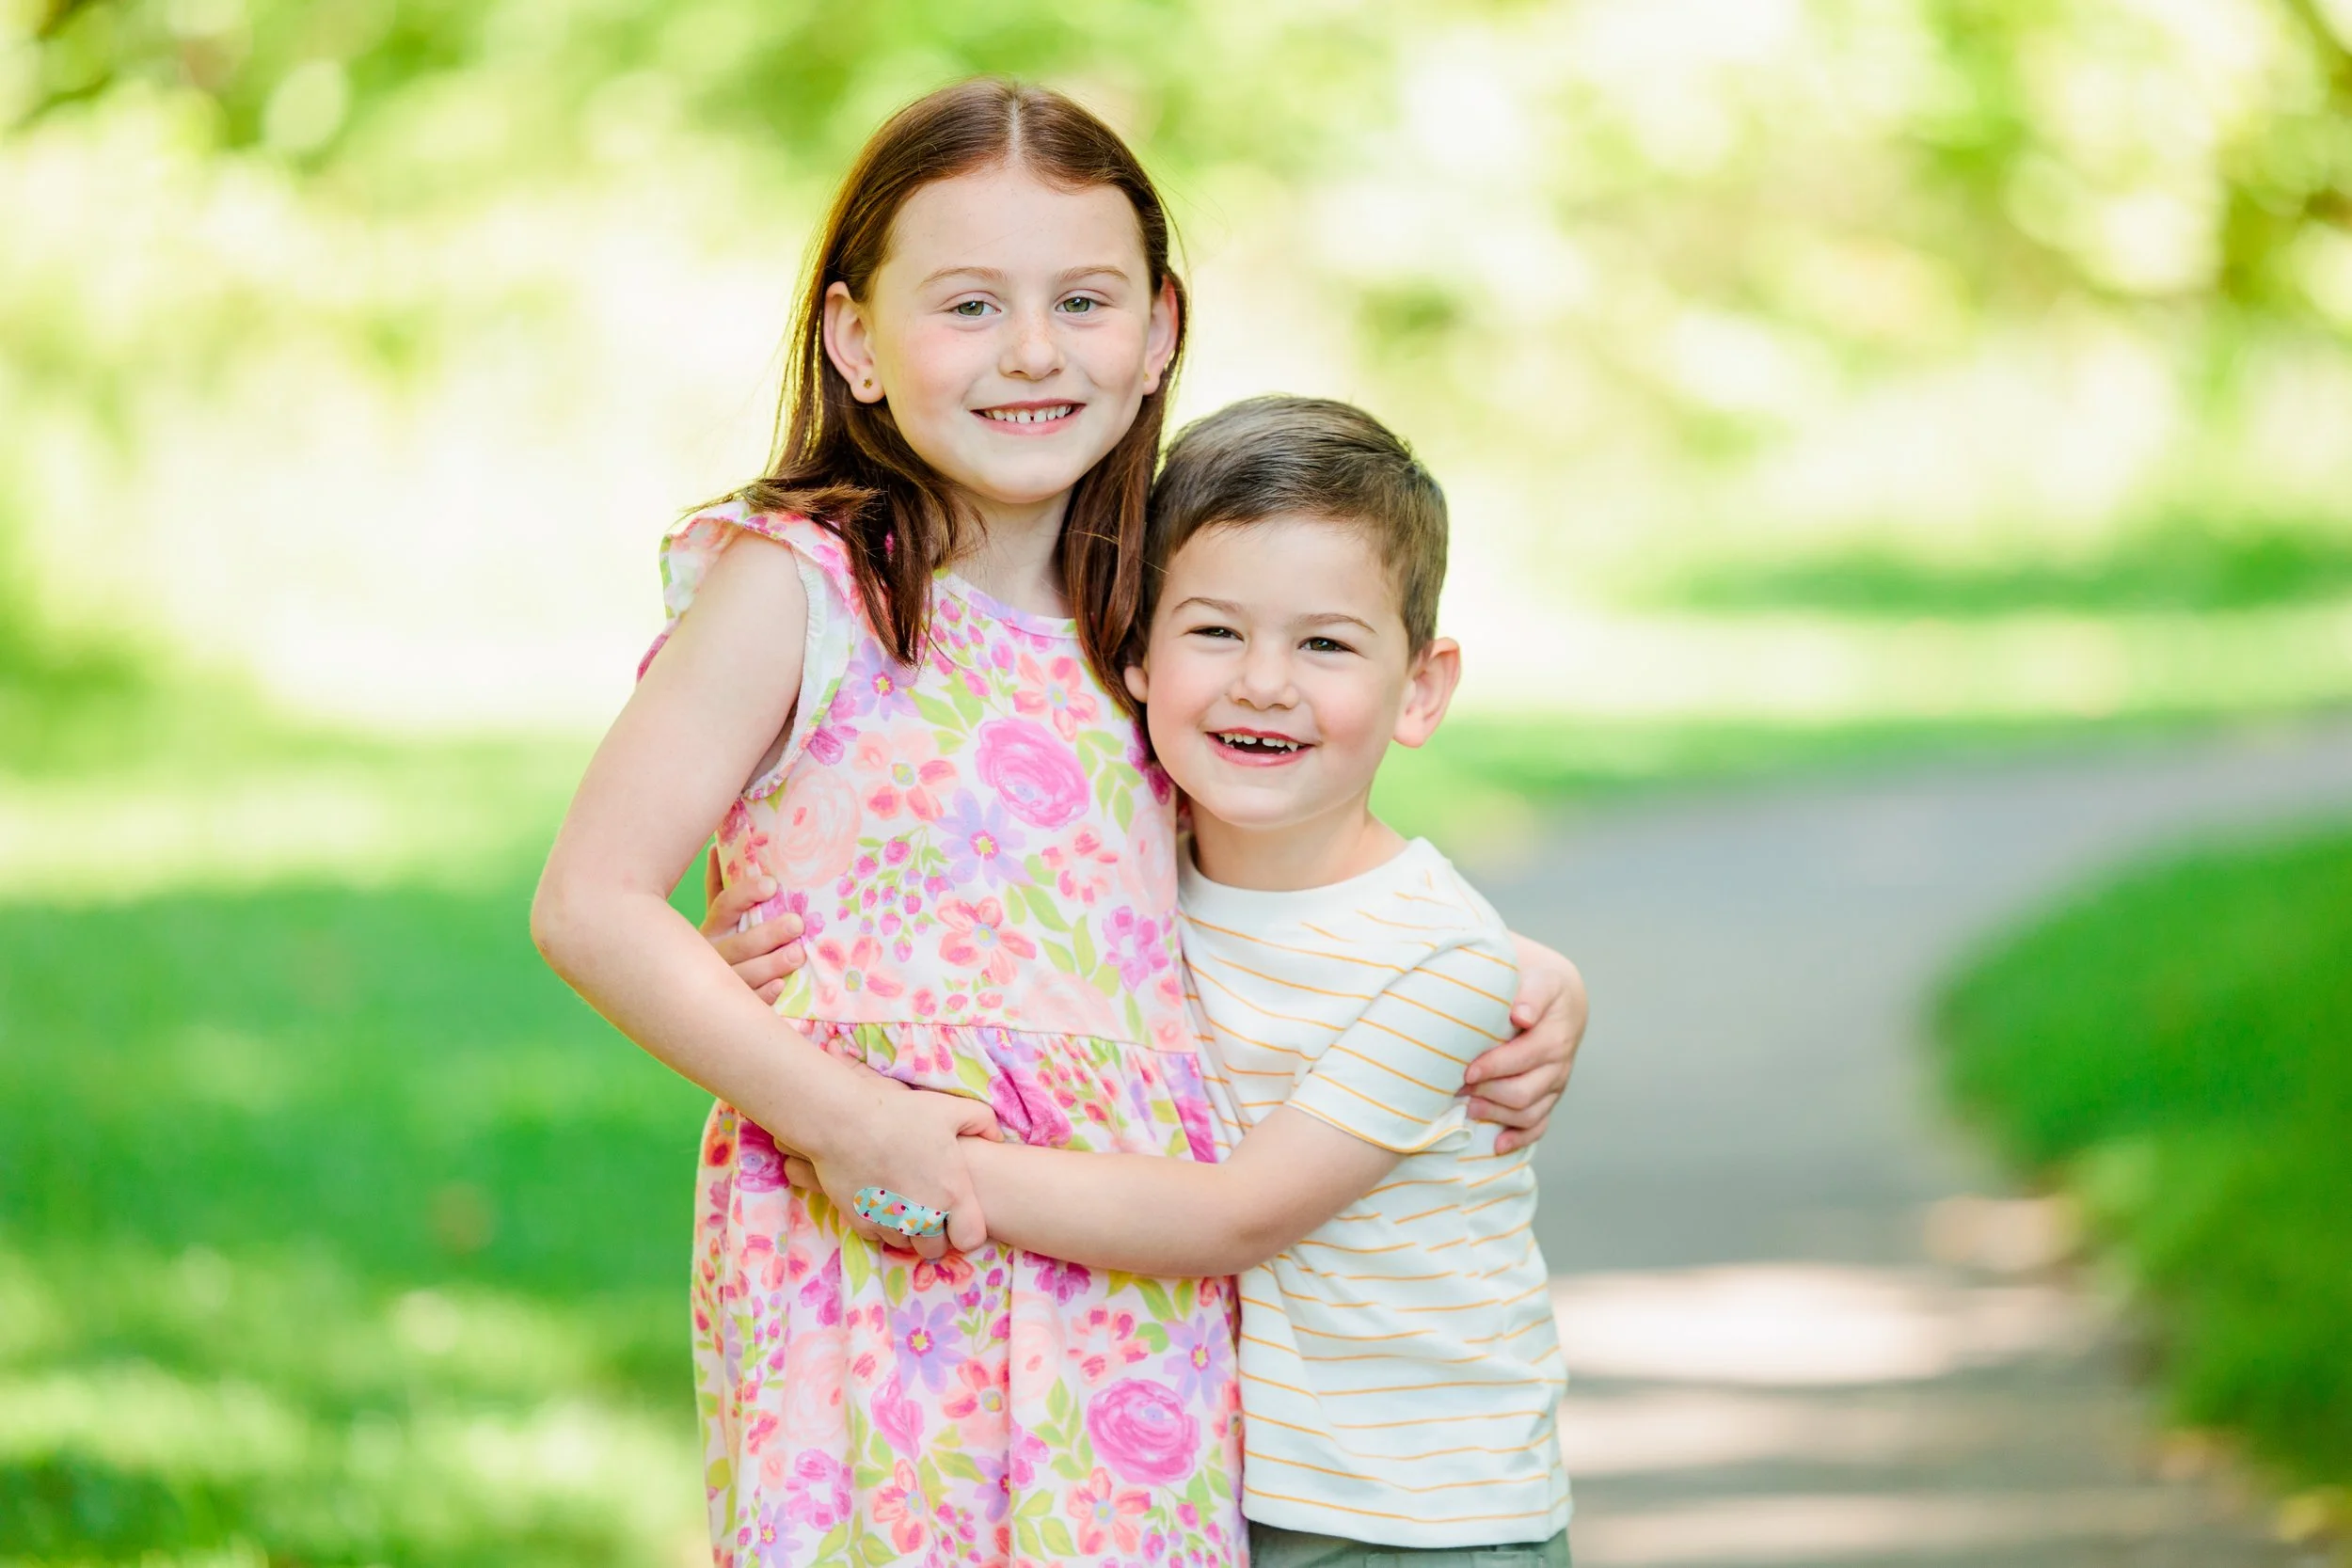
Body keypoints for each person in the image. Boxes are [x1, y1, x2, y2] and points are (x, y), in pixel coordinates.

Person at [532, 79, 1583, 1567]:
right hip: (876, 1250)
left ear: (1158, 329)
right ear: (855, 340)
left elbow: (1287, 846)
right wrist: (848, 1119)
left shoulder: (1157, 598)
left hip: (1132, 1293)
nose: (1034, 351)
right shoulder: (804, 589)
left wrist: (1517, 971)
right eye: (969, 304)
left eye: (1082, 300)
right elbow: (592, 899)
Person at [821, 397, 1578, 1565]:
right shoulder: (1123, 885)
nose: (1264, 682)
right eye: (1215, 631)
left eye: (1325, 643)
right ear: (1133, 647)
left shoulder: (1444, 962)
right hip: (1203, 1488)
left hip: (1413, 1513)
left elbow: (1235, 1217)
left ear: (1421, 687)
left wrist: (914, 1157)